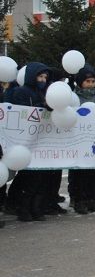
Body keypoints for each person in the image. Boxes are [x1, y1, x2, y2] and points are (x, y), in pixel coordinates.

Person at [5, 62, 51, 221]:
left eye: (45, 77)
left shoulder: (42, 92)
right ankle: (22, 207)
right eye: (40, 76)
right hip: (23, 141)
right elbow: (22, 112)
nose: (43, 80)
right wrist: (41, 106)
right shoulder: (20, 91)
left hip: (39, 140)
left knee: (38, 176)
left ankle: (35, 207)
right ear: (32, 76)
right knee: (27, 176)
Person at [68, 64, 95, 215]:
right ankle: (78, 200)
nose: (90, 84)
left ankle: (91, 199)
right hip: (78, 140)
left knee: (92, 172)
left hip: (94, 141)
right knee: (78, 172)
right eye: (87, 81)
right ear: (80, 82)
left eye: (92, 81)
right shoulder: (74, 97)